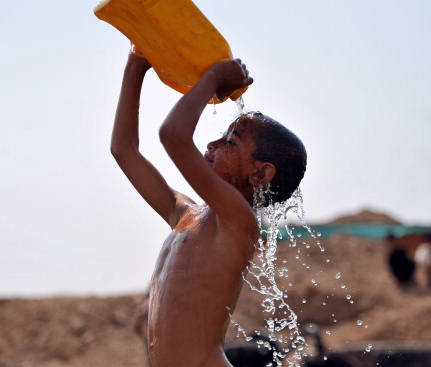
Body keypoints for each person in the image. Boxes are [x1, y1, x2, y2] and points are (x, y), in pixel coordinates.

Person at [110, 46, 307, 366]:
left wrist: (212, 78)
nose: (212, 144)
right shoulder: (185, 214)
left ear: (260, 174)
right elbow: (123, 150)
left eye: (231, 141)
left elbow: (173, 135)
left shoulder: (240, 223)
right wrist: (136, 66)